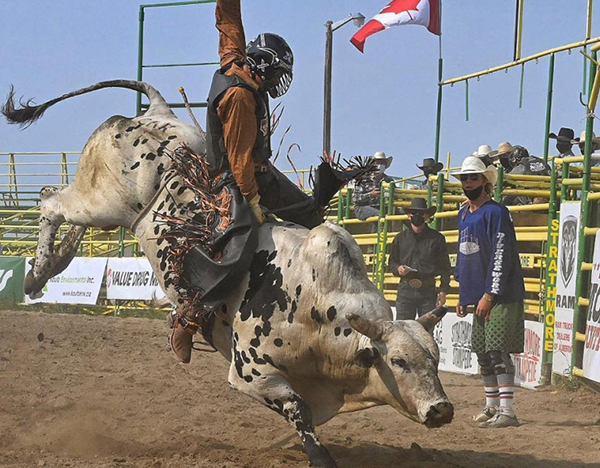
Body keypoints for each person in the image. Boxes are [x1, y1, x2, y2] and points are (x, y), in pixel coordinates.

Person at [169, 0, 336, 363]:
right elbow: (240, 159)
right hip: (234, 182)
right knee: (237, 252)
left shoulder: (237, 61)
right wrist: (253, 202)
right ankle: (189, 317)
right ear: (262, 67)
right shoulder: (240, 97)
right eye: (276, 75)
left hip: (259, 170)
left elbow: (228, 23)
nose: (278, 83)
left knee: (311, 215)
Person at [452, 156, 525, 429]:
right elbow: (462, 254)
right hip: (479, 293)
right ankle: (492, 406)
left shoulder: (496, 213)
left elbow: (501, 255)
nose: (468, 182)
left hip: (500, 294)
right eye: (465, 178)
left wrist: (489, 294)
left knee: (497, 351)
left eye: (473, 178)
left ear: (484, 181)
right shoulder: (464, 213)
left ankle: (507, 411)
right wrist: (464, 294)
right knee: (483, 352)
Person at [387, 198, 450, 320]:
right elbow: (391, 263)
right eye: (414, 213)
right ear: (408, 215)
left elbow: (445, 267)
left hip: (428, 289)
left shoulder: (437, 238)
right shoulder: (400, 238)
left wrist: (443, 291)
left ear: (426, 215)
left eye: (420, 213)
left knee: (426, 331)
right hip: (406, 288)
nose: (417, 216)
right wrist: (398, 269)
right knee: (404, 330)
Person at [352, 151, 394, 221]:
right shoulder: (364, 178)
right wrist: (370, 195)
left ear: (385, 165)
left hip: (381, 208)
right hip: (362, 208)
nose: (380, 165)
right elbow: (355, 199)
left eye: (382, 163)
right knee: (381, 215)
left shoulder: (389, 180)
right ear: (373, 164)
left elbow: (395, 192)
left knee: (402, 213)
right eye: (378, 162)